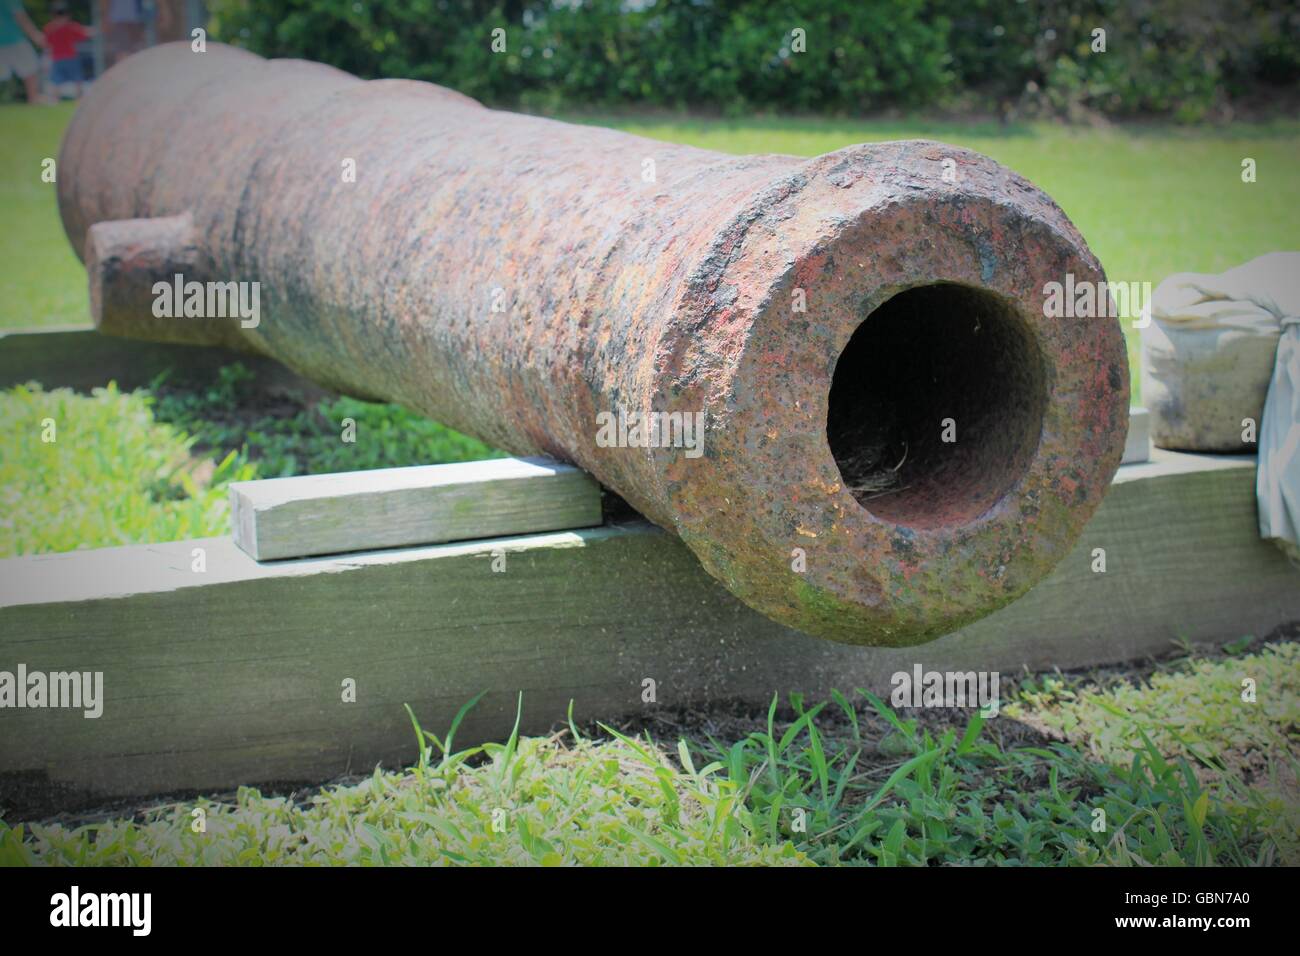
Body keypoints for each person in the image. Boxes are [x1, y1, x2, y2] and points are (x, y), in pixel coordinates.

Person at [43, 1, 94, 98]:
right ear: (68, 15)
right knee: (77, 79)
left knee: (56, 81)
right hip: (70, 57)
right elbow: (84, 33)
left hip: (57, 58)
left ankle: (55, 100)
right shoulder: (71, 27)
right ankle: (79, 98)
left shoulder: (49, 28)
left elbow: (47, 43)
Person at [0, 0, 46, 103]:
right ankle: (33, 98)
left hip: (10, 41)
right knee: (30, 68)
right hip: (14, 40)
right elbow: (21, 17)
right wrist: (36, 36)